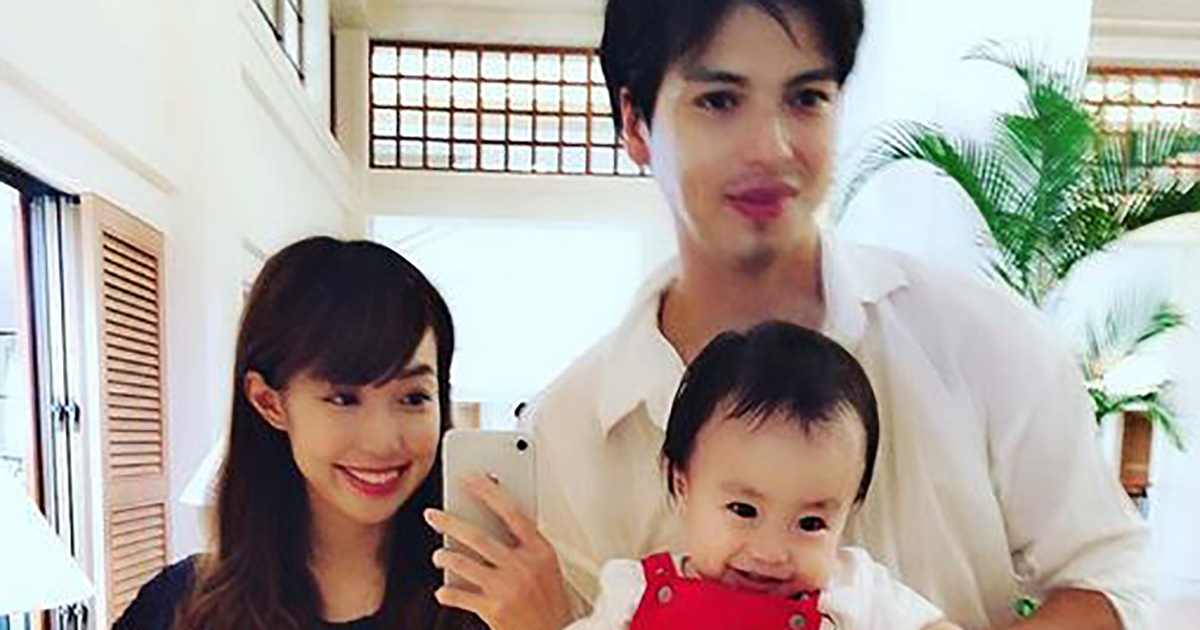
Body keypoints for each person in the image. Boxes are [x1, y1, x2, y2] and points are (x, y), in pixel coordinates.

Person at [516, 0, 1153, 629]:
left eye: (806, 98)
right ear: (635, 122)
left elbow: (1114, 584)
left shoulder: (985, 340)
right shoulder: (572, 428)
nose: (771, 148)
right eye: (719, 100)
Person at [112, 237, 483, 630]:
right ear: (269, 403)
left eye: (413, 398)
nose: (382, 441)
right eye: (343, 398)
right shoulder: (179, 609)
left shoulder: (488, 605)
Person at [567, 322, 963, 630]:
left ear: (850, 508)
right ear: (682, 486)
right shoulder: (635, 594)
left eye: (810, 523)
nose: (770, 553)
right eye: (743, 510)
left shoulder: (855, 591)